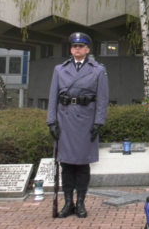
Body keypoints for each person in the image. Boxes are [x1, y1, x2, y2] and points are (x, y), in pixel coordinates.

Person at [47, 32, 109, 218]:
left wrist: (99, 121)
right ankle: (68, 203)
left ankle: (81, 203)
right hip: (65, 120)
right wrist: (51, 121)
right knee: (66, 164)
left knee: (82, 165)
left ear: (88, 50)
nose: (77, 49)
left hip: (85, 121)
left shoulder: (98, 70)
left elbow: (103, 98)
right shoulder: (60, 69)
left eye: (81, 46)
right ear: (71, 49)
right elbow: (53, 97)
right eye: (75, 46)